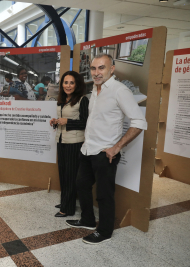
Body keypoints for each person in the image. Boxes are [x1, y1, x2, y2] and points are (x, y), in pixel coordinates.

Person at [65, 54, 147, 244]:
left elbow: (139, 122)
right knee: (82, 185)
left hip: (105, 153)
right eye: (93, 69)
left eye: (101, 68)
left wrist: (116, 147)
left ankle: (105, 231)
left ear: (112, 69)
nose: (96, 73)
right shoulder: (95, 89)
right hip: (88, 149)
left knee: (104, 194)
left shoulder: (120, 91)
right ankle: (87, 219)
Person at [50, 71, 89, 217]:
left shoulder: (82, 100)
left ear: (77, 84)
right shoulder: (62, 99)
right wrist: (56, 121)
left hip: (75, 143)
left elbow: (86, 122)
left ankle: (68, 208)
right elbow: (63, 119)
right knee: (62, 173)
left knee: (71, 175)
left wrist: (68, 121)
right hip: (61, 141)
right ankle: (66, 201)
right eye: (65, 82)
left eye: (71, 82)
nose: (68, 85)